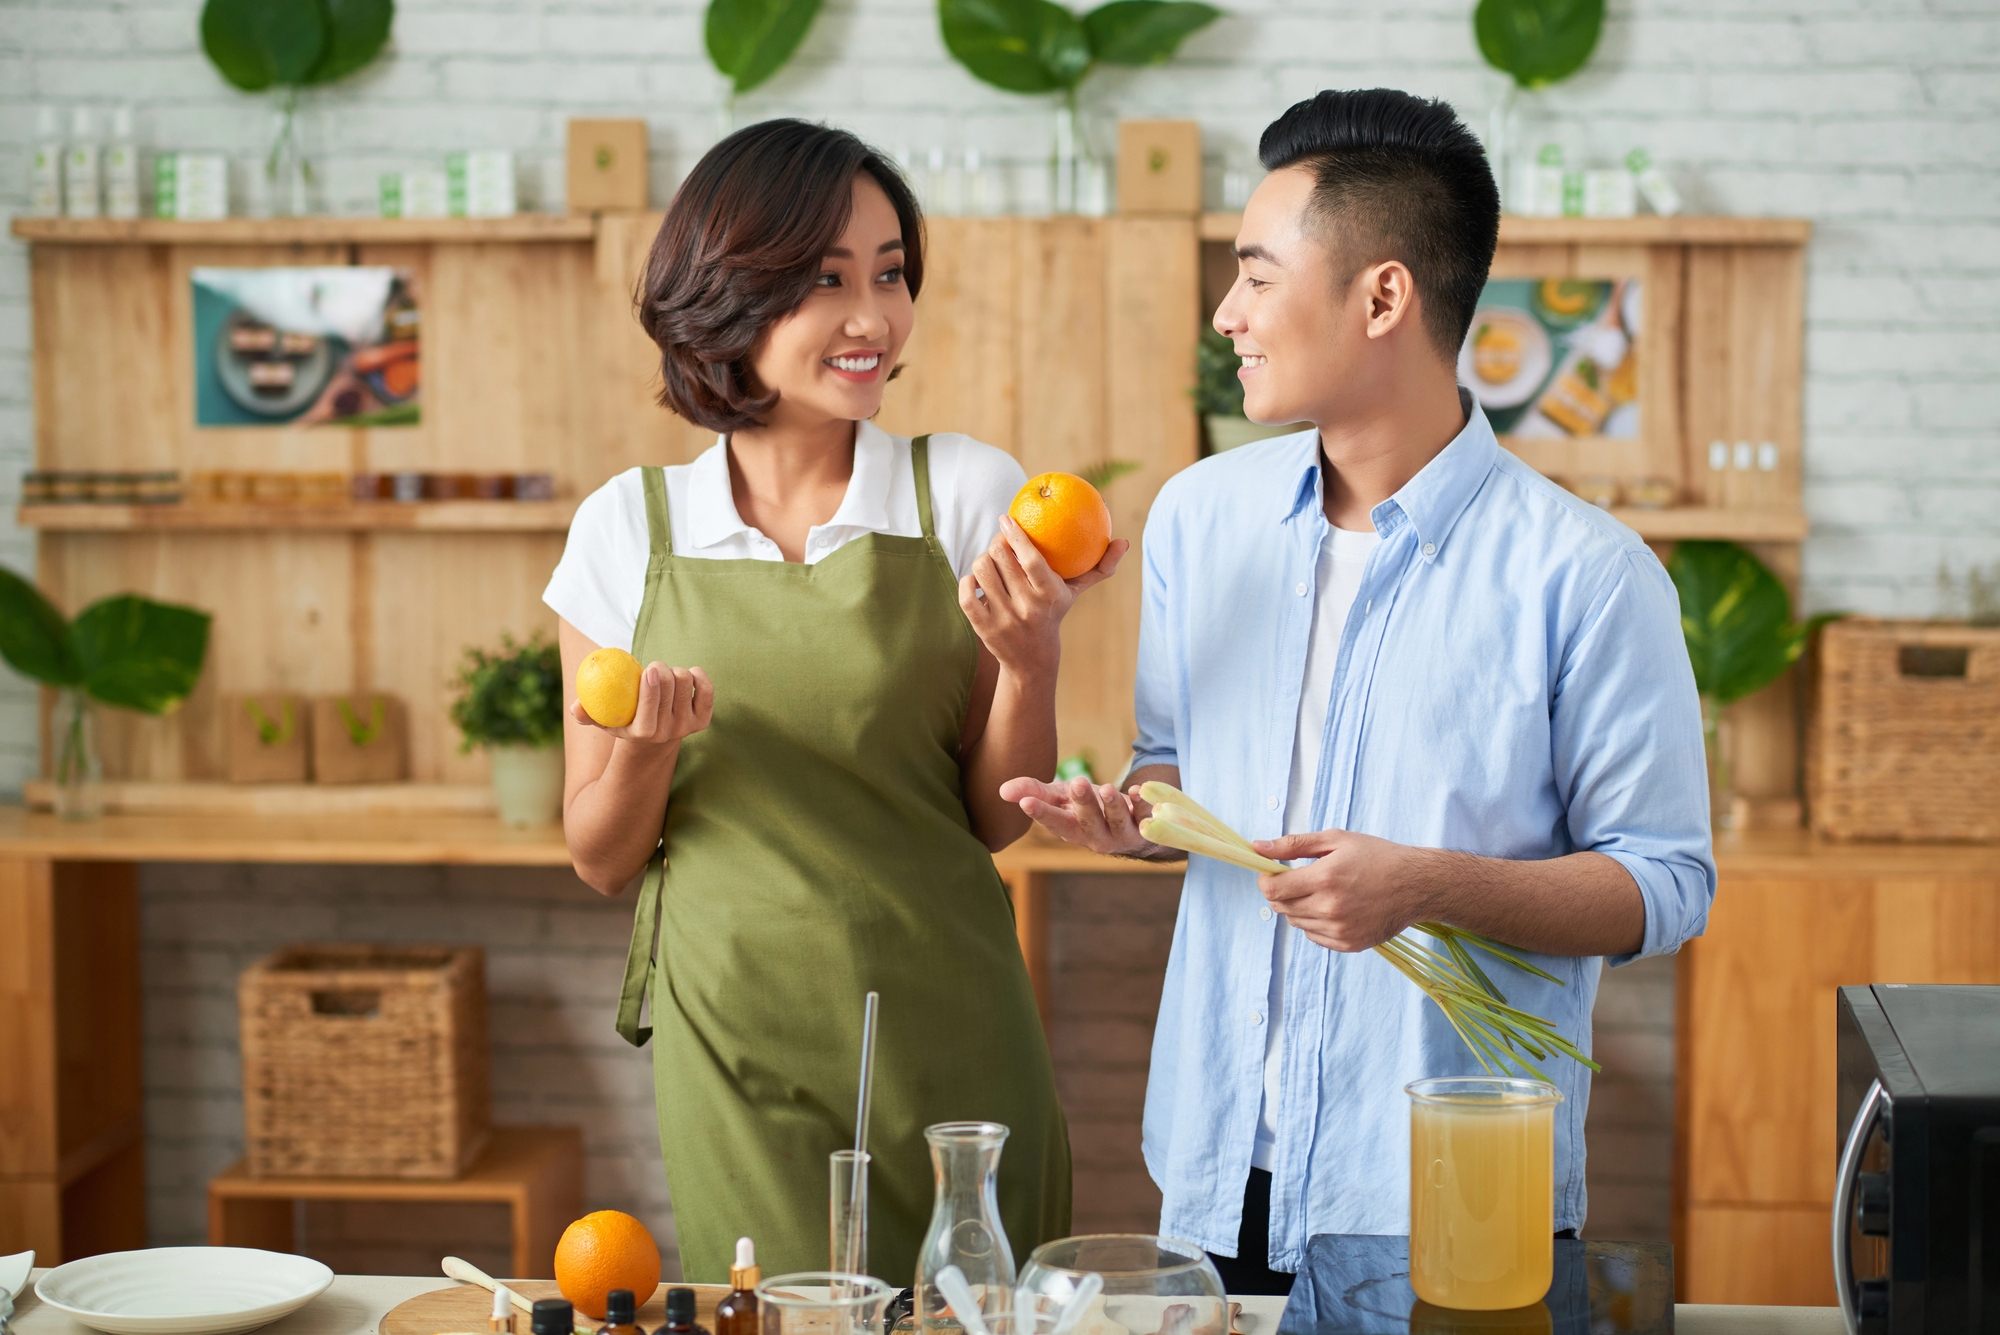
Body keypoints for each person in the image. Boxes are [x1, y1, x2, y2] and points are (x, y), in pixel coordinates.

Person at [1002, 89, 1715, 1293]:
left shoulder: (1585, 575)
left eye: (1255, 276)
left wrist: (1422, 885)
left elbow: (1663, 883)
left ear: (1381, 296)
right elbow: (1166, 755)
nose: (1225, 314)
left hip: (1447, 1186)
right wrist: (1138, 815)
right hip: (1216, 1162)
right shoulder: (1199, 519)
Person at [543, 120, 1123, 1282]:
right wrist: (648, 751)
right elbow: (602, 858)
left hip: (948, 1025)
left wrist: (1032, 660)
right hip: (734, 1043)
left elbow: (990, 815)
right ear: (726, 291)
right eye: (825, 281)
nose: (873, 320)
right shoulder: (628, 529)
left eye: (890, 274)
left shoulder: (958, 490)